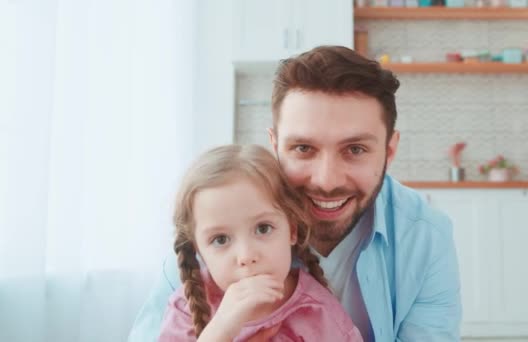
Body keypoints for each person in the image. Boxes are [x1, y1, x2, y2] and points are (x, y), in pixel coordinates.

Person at [129, 46, 461, 341]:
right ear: (275, 145)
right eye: (303, 148)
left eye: (355, 149)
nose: (327, 180)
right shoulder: (221, 222)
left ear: (389, 151)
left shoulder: (424, 236)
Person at [157, 144, 363, 341]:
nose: (246, 256)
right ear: (199, 250)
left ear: (292, 229)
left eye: (263, 228)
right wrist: (220, 330)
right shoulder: (187, 306)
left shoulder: (319, 313)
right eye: (220, 239)